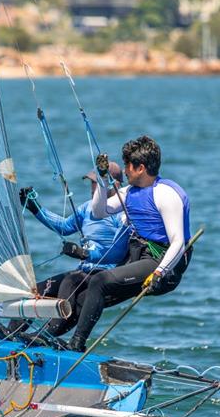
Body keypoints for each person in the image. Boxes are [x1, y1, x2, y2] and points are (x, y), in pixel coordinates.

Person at [64, 135, 192, 352]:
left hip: (164, 262)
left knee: (100, 281)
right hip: (141, 257)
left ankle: (76, 345)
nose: (124, 171)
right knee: (85, 295)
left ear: (140, 168)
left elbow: (178, 242)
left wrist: (159, 272)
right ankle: (49, 335)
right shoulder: (129, 193)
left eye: (127, 166)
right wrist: (103, 181)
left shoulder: (166, 195)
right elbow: (98, 211)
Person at [0, 162, 130, 344]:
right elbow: (64, 227)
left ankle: (46, 335)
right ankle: (9, 335)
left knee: (71, 280)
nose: (94, 187)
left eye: (98, 183)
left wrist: (84, 253)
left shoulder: (121, 213)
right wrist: (35, 208)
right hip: (85, 269)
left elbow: (117, 252)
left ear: (115, 185)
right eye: (92, 183)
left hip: (104, 273)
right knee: (37, 290)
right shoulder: (87, 208)